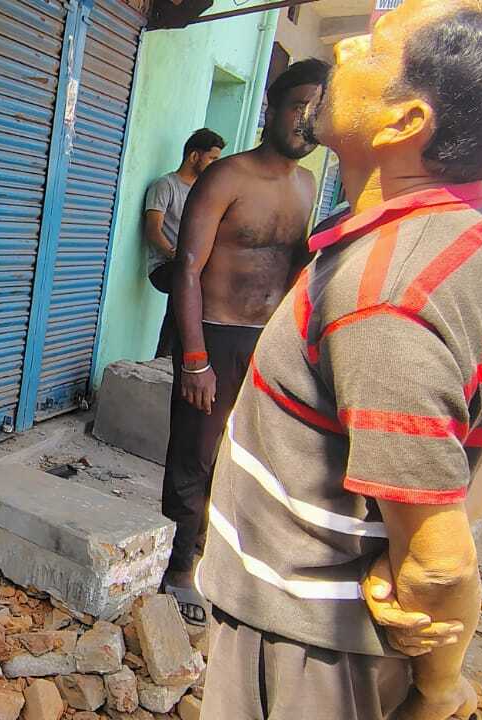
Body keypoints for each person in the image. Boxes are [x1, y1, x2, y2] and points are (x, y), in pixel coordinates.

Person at [196, 1, 482, 718]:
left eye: (375, 47)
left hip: (306, 644)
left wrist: (441, 687)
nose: (345, 49)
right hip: (325, 632)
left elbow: (437, 565)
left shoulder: (385, 299)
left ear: (404, 121)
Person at [160, 59, 329, 623]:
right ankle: (179, 568)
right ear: (270, 109)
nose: (306, 121)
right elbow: (187, 269)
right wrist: (194, 359)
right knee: (195, 454)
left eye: (317, 110)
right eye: (298, 106)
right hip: (216, 336)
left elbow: (294, 268)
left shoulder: (307, 185)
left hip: (270, 342)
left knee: (245, 457)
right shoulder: (226, 177)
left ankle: (215, 556)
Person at [148, 129, 227, 359]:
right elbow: (152, 230)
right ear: (194, 156)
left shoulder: (205, 192)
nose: (215, 165)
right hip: (165, 265)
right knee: (186, 283)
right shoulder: (166, 185)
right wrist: (176, 255)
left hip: (192, 266)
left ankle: (187, 357)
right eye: (212, 158)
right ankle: (164, 356)